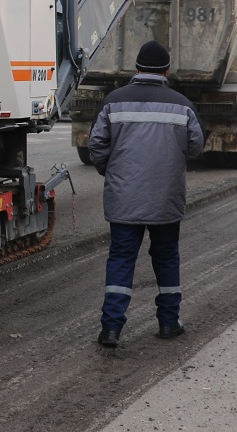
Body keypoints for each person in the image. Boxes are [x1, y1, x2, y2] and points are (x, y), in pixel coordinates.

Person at [85, 39, 205, 348]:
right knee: (166, 257)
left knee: (122, 258)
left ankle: (111, 329)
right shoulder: (182, 104)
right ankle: (168, 323)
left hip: (124, 198)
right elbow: (195, 146)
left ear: (137, 68)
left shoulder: (114, 101)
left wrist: (109, 172)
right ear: (166, 71)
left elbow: (96, 144)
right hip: (166, 198)